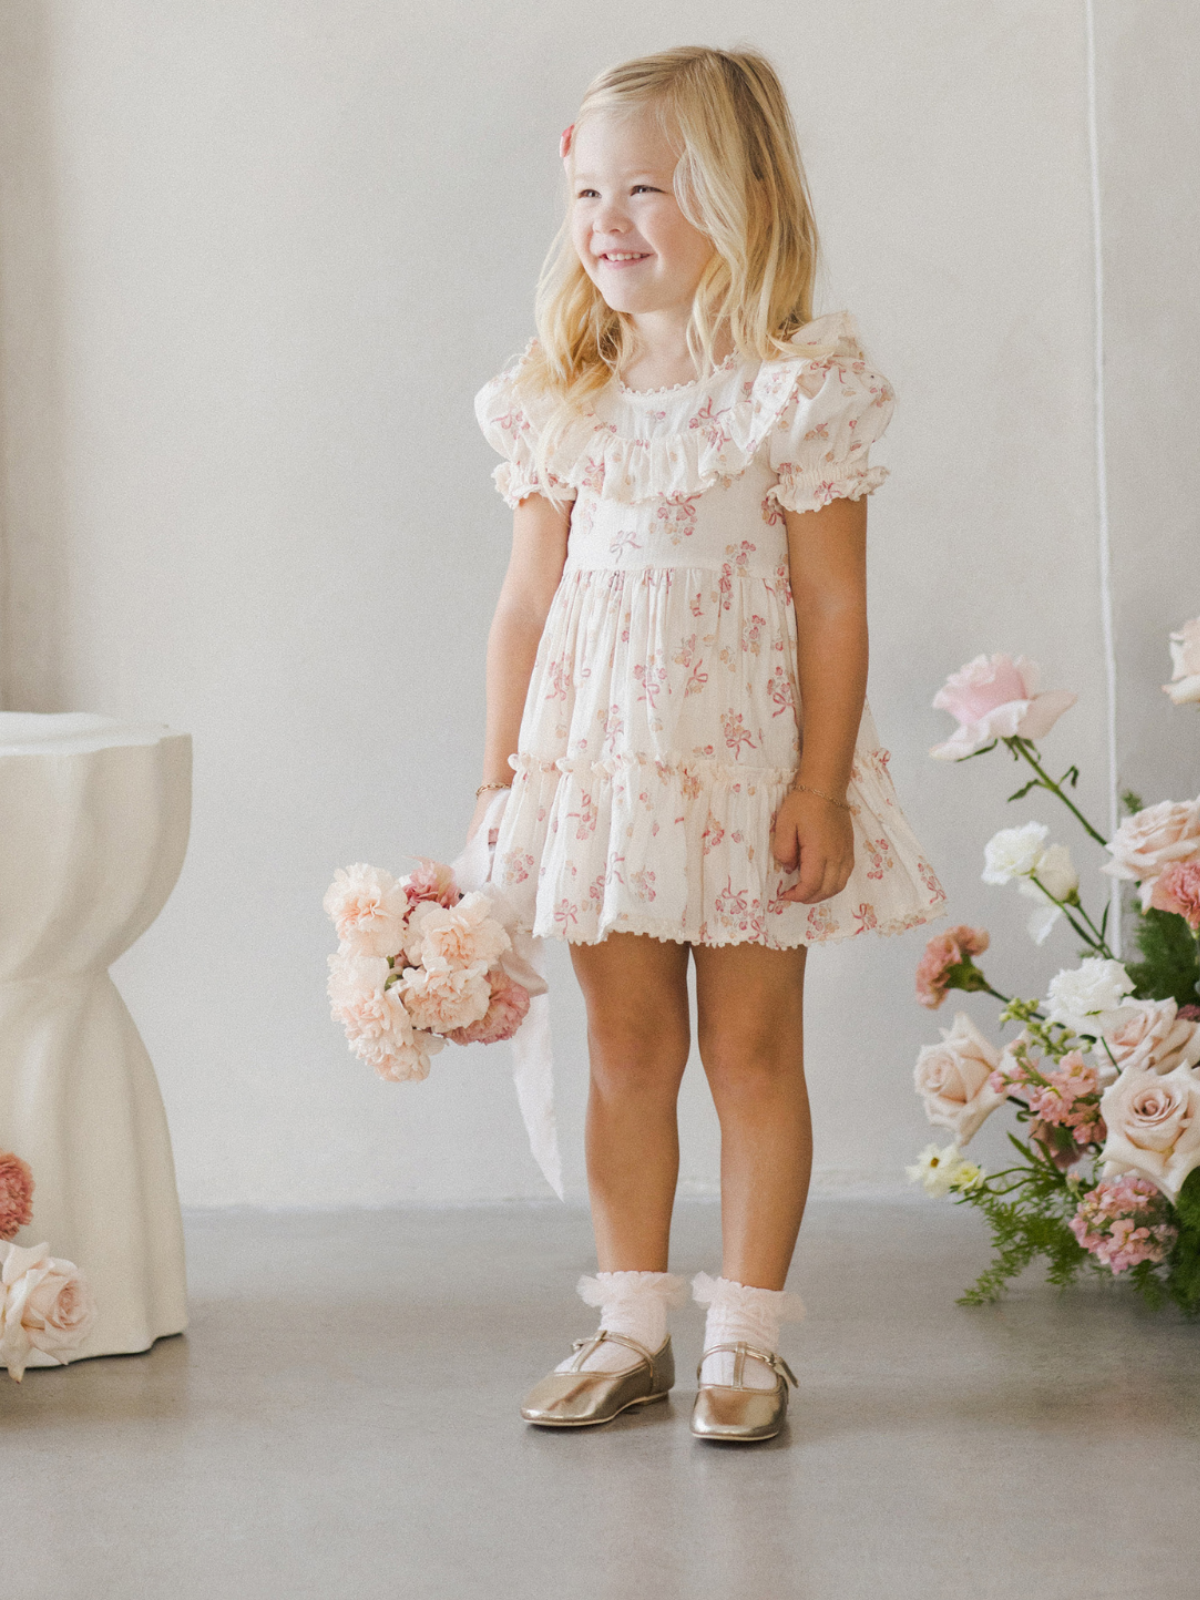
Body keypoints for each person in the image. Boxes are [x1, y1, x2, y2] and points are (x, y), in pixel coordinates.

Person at [468, 45, 945, 1443]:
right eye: (590, 192)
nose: (609, 221)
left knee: (749, 1055)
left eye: (649, 191)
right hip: (602, 776)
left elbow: (831, 595)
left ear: (737, 199)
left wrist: (817, 781)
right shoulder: (560, 391)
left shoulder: (797, 386)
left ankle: (747, 1338)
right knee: (623, 1050)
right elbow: (524, 601)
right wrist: (501, 781)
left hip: (744, 771)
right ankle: (629, 1324)